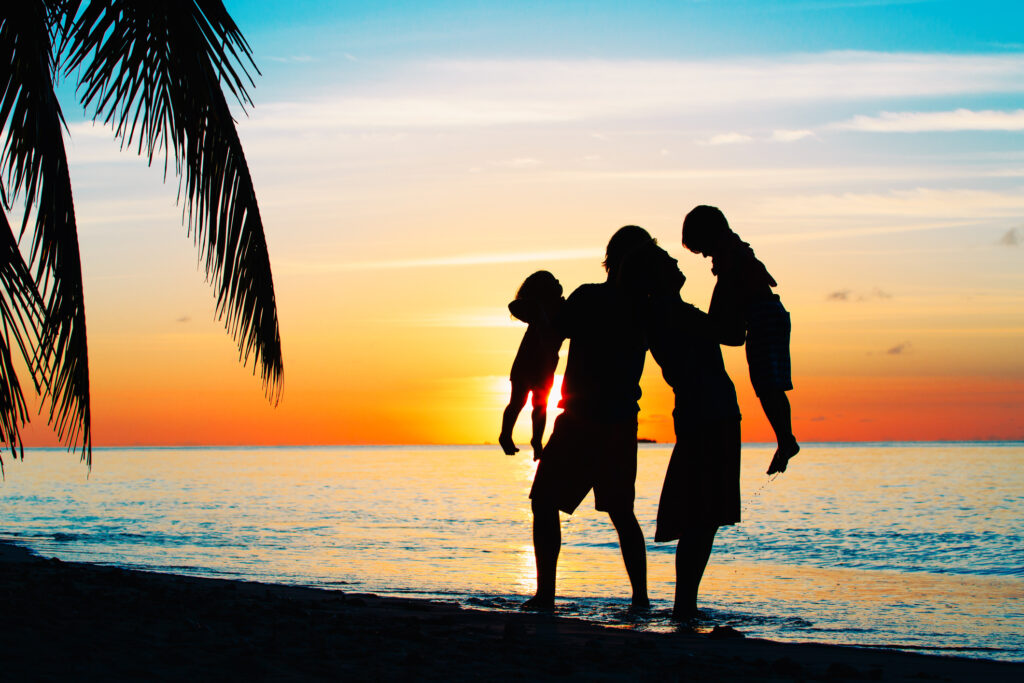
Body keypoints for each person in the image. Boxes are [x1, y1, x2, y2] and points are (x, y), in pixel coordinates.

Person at [523, 226, 652, 611]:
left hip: (587, 420)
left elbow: (552, 339)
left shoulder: (600, 298)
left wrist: (541, 314)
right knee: (618, 512)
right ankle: (640, 599)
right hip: (612, 421)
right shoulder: (640, 306)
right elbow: (555, 337)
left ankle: (548, 595)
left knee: (549, 502)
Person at [619, 242, 741, 619]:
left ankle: (685, 604)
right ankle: (684, 605)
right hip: (708, 412)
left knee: (702, 515)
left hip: (701, 411)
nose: (677, 263)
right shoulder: (668, 311)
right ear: (657, 275)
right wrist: (730, 276)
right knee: (703, 515)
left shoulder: (664, 311)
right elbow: (732, 333)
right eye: (669, 261)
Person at [682, 205, 798, 474]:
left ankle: (786, 439)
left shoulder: (730, 255)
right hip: (769, 315)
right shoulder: (734, 250)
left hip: (763, 316)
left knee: (768, 383)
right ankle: (785, 438)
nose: (705, 256)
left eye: (702, 248)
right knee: (768, 384)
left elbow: (725, 295)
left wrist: (700, 321)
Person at [499, 271, 565, 459]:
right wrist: (538, 308)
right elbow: (514, 306)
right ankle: (505, 434)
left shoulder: (562, 308)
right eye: (552, 281)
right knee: (518, 402)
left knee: (540, 405)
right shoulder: (536, 309)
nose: (558, 282)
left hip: (545, 368)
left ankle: (537, 441)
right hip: (525, 365)